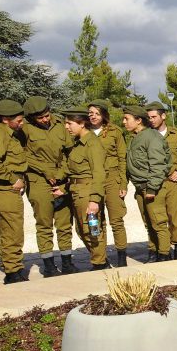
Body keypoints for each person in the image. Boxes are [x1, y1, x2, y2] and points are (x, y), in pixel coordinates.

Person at [21, 96, 76, 276]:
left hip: (61, 177)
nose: (45, 119)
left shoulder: (60, 125)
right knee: (44, 223)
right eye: (40, 118)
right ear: (31, 118)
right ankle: (49, 265)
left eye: (47, 115)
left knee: (64, 222)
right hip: (38, 180)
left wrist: (62, 174)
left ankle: (67, 262)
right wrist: (45, 170)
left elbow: (70, 152)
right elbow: (22, 156)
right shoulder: (24, 129)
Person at [0, 100, 29, 283]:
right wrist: (14, 179)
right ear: (5, 119)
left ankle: (12, 267)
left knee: (9, 229)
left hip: (6, 188)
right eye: (18, 120)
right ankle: (13, 272)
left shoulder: (9, 133)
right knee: (13, 230)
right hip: (4, 188)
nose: (22, 123)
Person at [123, 106, 172, 262]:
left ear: (138, 120)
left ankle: (164, 254)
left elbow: (158, 164)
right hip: (140, 188)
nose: (124, 122)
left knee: (158, 223)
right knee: (149, 224)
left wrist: (152, 188)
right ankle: (153, 252)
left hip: (152, 188)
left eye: (127, 119)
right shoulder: (135, 137)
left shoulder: (152, 137)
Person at [62, 107, 108, 271]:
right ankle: (100, 260)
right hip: (78, 191)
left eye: (69, 123)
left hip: (88, 191)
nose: (66, 127)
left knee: (91, 229)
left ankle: (100, 264)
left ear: (82, 124)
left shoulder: (93, 144)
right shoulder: (78, 144)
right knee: (82, 229)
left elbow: (99, 173)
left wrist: (94, 199)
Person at [87, 99, 128, 265]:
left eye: (97, 113)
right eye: (91, 113)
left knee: (116, 220)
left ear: (104, 115)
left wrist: (123, 183)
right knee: (96, 220)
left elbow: (122, 158)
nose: (94, 117)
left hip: (112, 178)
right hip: (92, 179)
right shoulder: (84, 132)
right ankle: (100, 257)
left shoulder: (115, 132)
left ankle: (121, 257)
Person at [145, 102, 177, 259]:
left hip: (172, 183)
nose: (151, 120)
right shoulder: (146, 135)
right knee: (154, 218)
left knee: (175, 217)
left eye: (154, 116)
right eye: (149, 117)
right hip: (153, 183)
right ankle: (154, 249)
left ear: (163, 116)